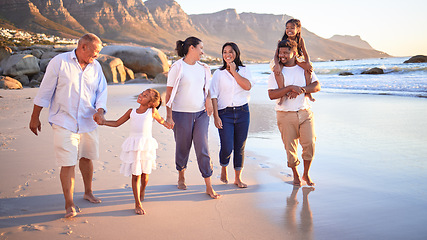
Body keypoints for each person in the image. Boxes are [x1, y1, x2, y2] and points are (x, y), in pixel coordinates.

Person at [29, 33, 107, 218]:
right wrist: (35, 117)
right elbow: (45, 91)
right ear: (83, 47)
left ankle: (88, 192)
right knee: (68, 162)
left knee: (87, 157)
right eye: (95, 52)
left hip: (89, 121)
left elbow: (102, 91)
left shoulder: (96, 67)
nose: (97, 56)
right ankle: (69, 203)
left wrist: (100, 111)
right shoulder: (59, 62)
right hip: (63, 120)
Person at [96, 89, 172, 215]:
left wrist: (168, 124)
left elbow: (162, 120)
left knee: (145, 174)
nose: (141, 95)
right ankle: (137, 202)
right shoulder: (131, 112)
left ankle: (142, 190)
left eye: (146, 96)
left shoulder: (152, 111)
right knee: (135, 174)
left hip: (146, 145)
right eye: (143, 93)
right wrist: (103, 122)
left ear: (150, 104)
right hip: (133, 146)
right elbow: (117, 123)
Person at [165, 36, 221, 199]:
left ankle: (208, 185)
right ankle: (181, 175)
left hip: (201, 114)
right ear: (191, 48)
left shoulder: (204, 68)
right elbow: (169, 93)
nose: (203, 52)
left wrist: (209, 101)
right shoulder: (178, 67)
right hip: (180, 114)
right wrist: (169, 116)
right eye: (200, 48)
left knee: (203, 147)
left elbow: (207, 88)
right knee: (182, 147)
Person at [268, 39, 321, 186]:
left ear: (295, 53)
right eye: (280, 52)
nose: (282, 55)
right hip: (285, 115)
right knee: (290, 149)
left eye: (286, 52)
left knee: (309, 144)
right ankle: (296, 175)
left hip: (305, 112)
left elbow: (317, 86)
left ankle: (306, 174)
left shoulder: (304, 69)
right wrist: (291, 88)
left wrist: (302, 90)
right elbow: (272, 94)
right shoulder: (276, 71)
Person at [210, 42, 252, 188]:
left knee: (240, 146)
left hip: (243, 112)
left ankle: (238, 178)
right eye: (225, 52)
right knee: (227, 146)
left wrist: (234, 72)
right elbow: (213, 95)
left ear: (236, 53)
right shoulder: (218, 73)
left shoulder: (245, 70)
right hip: (224, 113)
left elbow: (247, 86)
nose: (227, 55)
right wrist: (216, 116)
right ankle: (223, 167)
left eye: (230, 52)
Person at [272, 19, 315, 104]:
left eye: (292, 28)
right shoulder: (282, 41)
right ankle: (282, 95)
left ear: (298, 29)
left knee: (308, 69)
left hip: (297, 58)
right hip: (284, 59)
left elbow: (306, 54)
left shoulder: (300, 40)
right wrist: (277, 65)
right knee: (277, 71)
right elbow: (276, 55)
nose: (289, 30)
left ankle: (308, 92)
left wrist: (308, 63)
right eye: (287, 28)